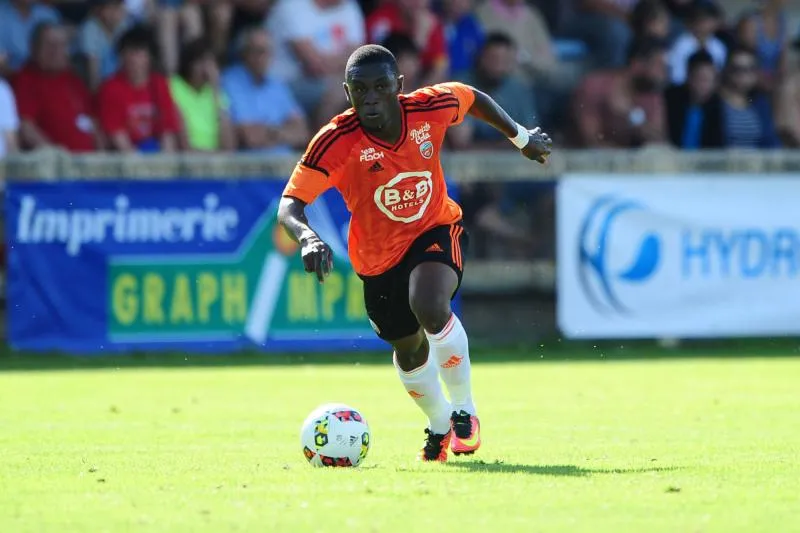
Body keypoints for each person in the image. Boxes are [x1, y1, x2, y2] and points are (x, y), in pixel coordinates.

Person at [277, 44, 551, 462]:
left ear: (399, 85)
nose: (371, 98)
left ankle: (464, 410)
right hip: (377, 259)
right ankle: (440, 423)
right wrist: (307, 237)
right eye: (360, 90)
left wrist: (521, 137)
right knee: (408, 349)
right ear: (347, 92)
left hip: (435, 227)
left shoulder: (429, 107)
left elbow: (473, 98)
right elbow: (289, 204)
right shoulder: (335, 140)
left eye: (381, 87)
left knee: (429, 304)